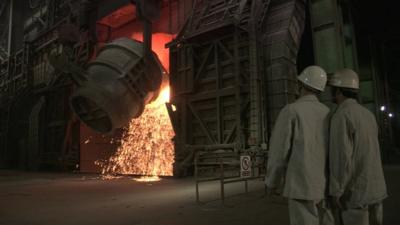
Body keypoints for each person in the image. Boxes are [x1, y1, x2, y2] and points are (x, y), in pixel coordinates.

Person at [265, 65, 334, 225]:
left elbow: (279, 152)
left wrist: (271, 181)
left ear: (301, 85)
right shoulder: (328, 113)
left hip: (301, 186)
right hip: (326, 186)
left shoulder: (291, 111)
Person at [328, 68, 388, 225]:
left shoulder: (341, 115)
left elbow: (342, 158)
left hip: (356, 195)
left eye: (332, 89)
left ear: (338, 91)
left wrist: (336, 191)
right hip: (376, 190)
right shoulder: (368, 114)